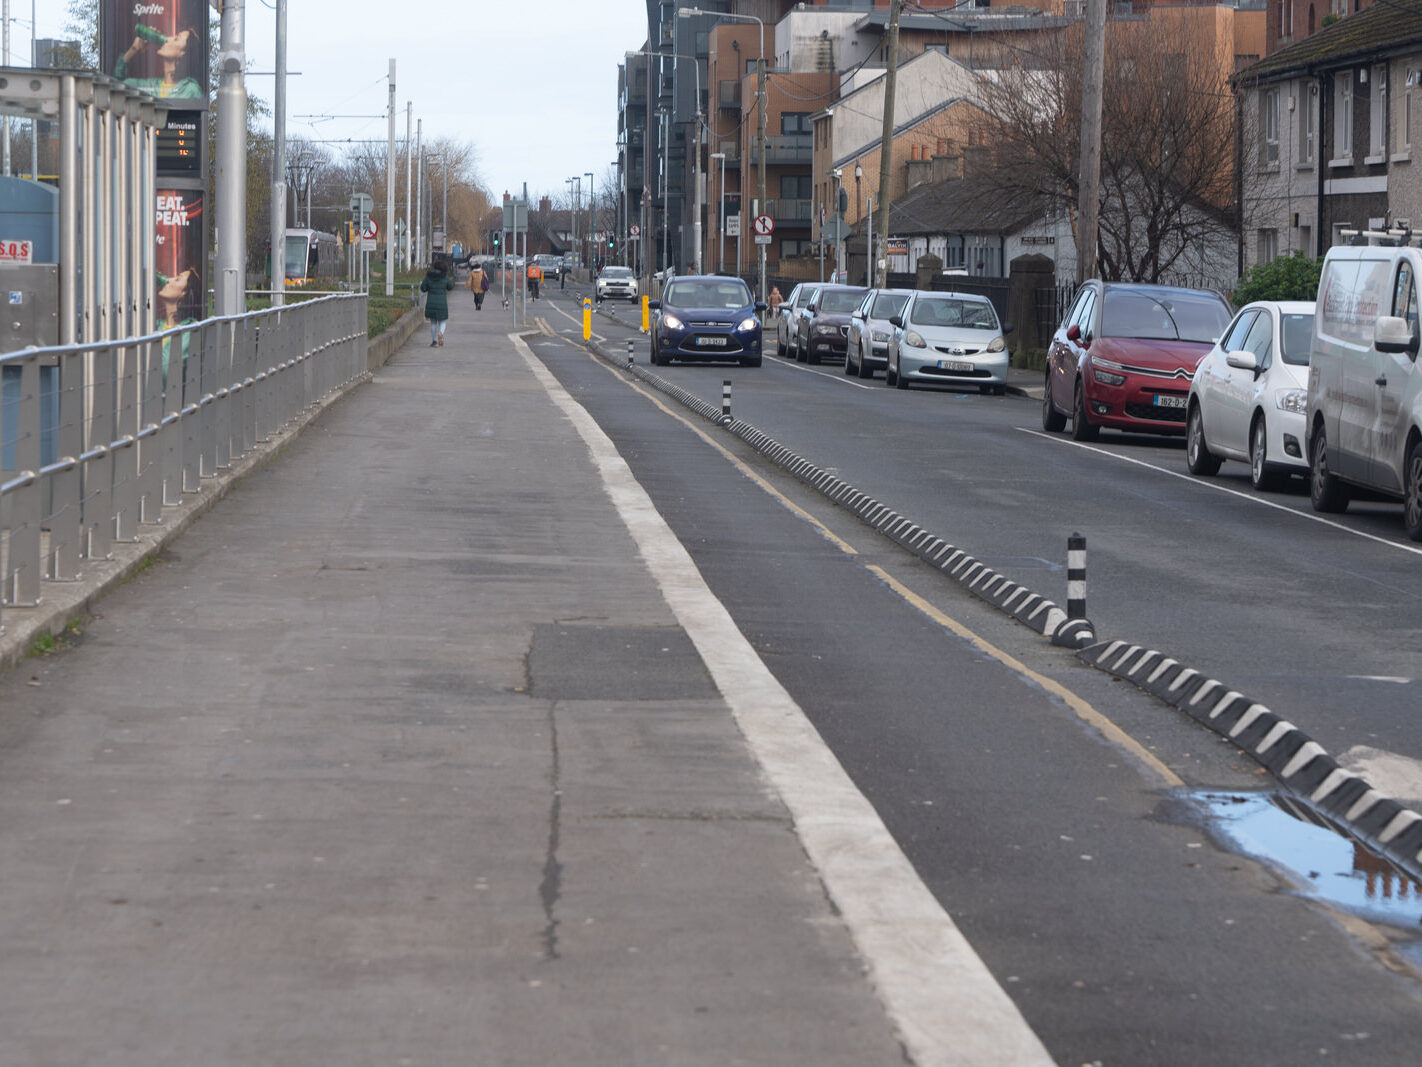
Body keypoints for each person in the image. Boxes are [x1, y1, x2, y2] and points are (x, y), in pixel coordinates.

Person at [115, 25, 203, 100]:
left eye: (176, 39)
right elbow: (117, 85)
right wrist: (134, 48)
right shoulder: (151, 86)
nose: (168, 39)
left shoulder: (190, 90)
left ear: (183, 54)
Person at [420, 256, 455, 346]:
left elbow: (423, 288)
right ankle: (441, 333)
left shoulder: (429, 277)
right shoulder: (445, 277)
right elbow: (450, 287)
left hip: (431, 302)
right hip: (442, 303)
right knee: (443, 321)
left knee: (433, 322)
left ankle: (434, 341)